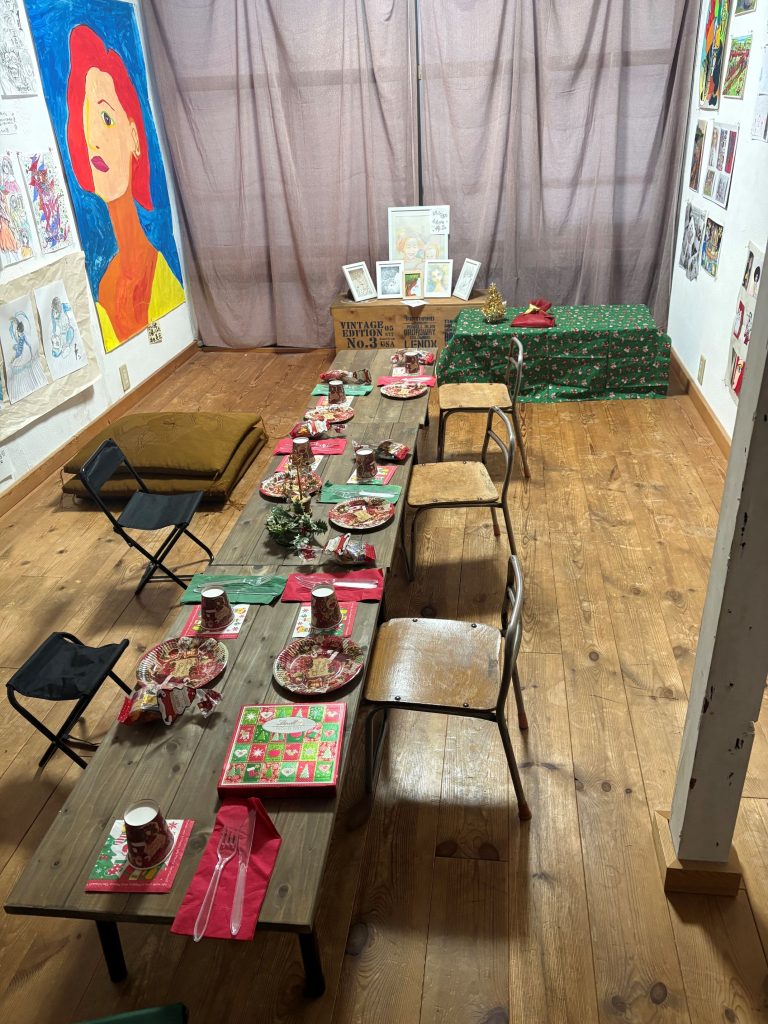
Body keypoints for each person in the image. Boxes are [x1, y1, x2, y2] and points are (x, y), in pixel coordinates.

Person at [65, 25, 183, 350]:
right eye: (87, 123)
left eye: (105, 118)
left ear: (134, 137)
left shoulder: (161, 276)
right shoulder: (105, 287)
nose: (94, 141)